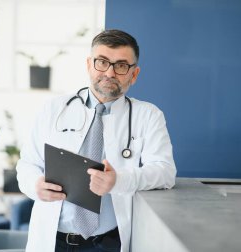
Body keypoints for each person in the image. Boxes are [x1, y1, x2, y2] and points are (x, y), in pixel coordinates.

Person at [16, 29, 176, 252]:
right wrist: (35, 185)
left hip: (108, 243)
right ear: (89, 65)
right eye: (102, 62)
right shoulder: (54, 108)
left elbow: (165, 172)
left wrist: (118, 181)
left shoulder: (148, 115)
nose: (110, 73)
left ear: (134, 74)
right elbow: (26, 164)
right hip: (52, 240)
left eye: (121, 66)